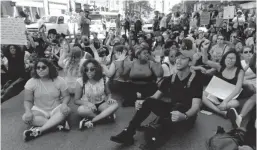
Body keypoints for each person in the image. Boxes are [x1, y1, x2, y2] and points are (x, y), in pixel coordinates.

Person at [110, 49, 203, 146]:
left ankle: (155, 140)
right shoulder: (171, 78)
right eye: (177, 58)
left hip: (186, 117)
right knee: (149, 102)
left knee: (174, 112)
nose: (178, 61)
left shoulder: (196, 80)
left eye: (183, 58)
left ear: (190, 61)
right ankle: (129, 133)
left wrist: (184, 116)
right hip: (172, 110)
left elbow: (195, 107)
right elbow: (155, 97)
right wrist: (143, 102)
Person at [22, 58, 71, 141]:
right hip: (39, 109)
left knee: (67, 110)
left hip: (56, 108)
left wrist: (64, 104)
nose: (40, 69)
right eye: (38, 68)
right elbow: (28, 100)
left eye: (43, 67)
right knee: (25, 118)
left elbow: (66, 96)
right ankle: (58, 124)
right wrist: (28, 111)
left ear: (50, 68)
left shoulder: (59, 80)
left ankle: (39, 130)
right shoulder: (31, 82)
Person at [202, 40, 245, 117]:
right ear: (224, 59)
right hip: (216, 95)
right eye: (228, 58)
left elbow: (237, 90)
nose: (230, 60)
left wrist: (225, 101)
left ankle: (212, 107)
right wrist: (205, 49)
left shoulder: (240, 71)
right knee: (201, 94)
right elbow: (205, 61)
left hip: (230, 98)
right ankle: (220, 112)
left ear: (236, 60)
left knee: (235, 103)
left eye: (232, 59)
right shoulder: (220, 67)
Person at [74, 59, 119, 129]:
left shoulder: (104, 79)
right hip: (88, 105)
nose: (89, 72)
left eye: (92, 69)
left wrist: (110, 98)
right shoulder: (80, 81)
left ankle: (92, 120)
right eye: (86, 69)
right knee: (80, 110)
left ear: (97, 69)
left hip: (102, 103)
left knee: (115, 104)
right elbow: (76, 100)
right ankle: (105, 117)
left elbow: (108, 93)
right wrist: (88, 104)